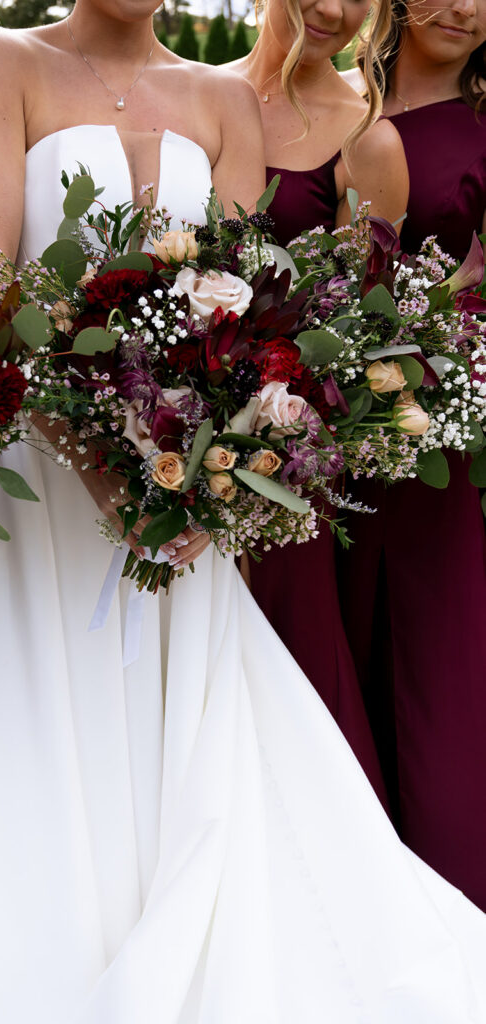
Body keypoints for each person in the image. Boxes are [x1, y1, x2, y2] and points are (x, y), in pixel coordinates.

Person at [0, 2, 486, 1021]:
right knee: (35, 753)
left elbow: (229, 309)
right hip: (41, 491)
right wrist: (98, 456)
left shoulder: (223, 101)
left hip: (174, 503)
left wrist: (197, 464)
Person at [227, 0, 409, 807]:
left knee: (294, 678)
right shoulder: (195, 94)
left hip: (282, 472)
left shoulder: (366, 136)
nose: (335, 8)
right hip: (157, 447)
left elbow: (363, 344)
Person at [339, 0, 486, 912]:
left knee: (438, 681)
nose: (463, 7)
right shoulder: (326, 95)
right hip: (312, 438)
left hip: (441, 442)